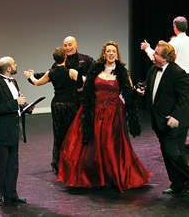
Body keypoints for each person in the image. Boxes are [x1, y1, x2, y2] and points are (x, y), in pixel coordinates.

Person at [57, 41, 152, 193]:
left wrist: (137, 93)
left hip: (113, 113)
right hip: (94, 111)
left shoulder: (122, 72)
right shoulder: (96, 69)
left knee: (110, 145)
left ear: (117, 54)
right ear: (104, 53)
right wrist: (83, 89)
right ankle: (95, 177)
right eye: (108, 51)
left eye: (113, 51)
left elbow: (129, 92)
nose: (111, 53)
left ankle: (113, 176)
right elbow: (88, 87)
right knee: (93, 145)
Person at [137, 40, 189, 195]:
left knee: (173, 152)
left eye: (156, 53)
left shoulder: (177, 72)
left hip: (174, 121)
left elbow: (183, 98)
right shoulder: (154, 68)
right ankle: (177, 183)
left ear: (164, 58)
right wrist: (143, 88)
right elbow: (149, 83)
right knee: (167, 153)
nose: (154, 55)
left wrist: (175, 116)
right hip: (160, 120)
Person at [141, 16, 189, 150]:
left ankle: (177, 136)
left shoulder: (175, 43)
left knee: (178, 105)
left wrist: (147, 48)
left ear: (175, 27)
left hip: (178, 77)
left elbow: (159, 57)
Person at [24, 47, 80, 174]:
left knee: (59, 132)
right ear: (65, 57)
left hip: (56, 104)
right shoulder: (71, 71)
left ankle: (58, 161)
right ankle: (72, 160)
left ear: (54, 59)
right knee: (71, 131)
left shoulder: (51, 72)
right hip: (70, 104)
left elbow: (37, 83)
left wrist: (30, 76)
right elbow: (84, 82)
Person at [0, 57, 31, 206]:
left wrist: (26, 106)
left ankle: (11, 194)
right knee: (2, 165)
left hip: (13, 130)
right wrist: (16, 103)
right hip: (0, 132)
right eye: (14, 63)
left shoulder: (13, 81)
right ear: (8, 68)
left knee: (13, 165)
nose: (16, 65)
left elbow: (16, 100)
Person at [28, 36, 95, 107]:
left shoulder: (86, 59)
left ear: (76, 45)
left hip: (83, 100)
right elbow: (49, 75)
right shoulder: (58, 64)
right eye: (65, 45)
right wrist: (32, 76)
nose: (68, 48)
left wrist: (86, 86)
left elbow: (96, 71)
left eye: (70, 45)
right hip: (66, 103)